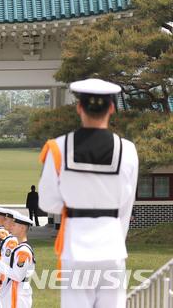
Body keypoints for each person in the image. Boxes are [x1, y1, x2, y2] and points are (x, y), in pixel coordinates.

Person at [39, 78, 138, 308]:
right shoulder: (128, 150)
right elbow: (126, 205)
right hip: (112, 247)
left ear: (79, 107)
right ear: (112, 108)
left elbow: (47, 202)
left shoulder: (58, 148)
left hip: (76, 249)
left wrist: (74, 201)